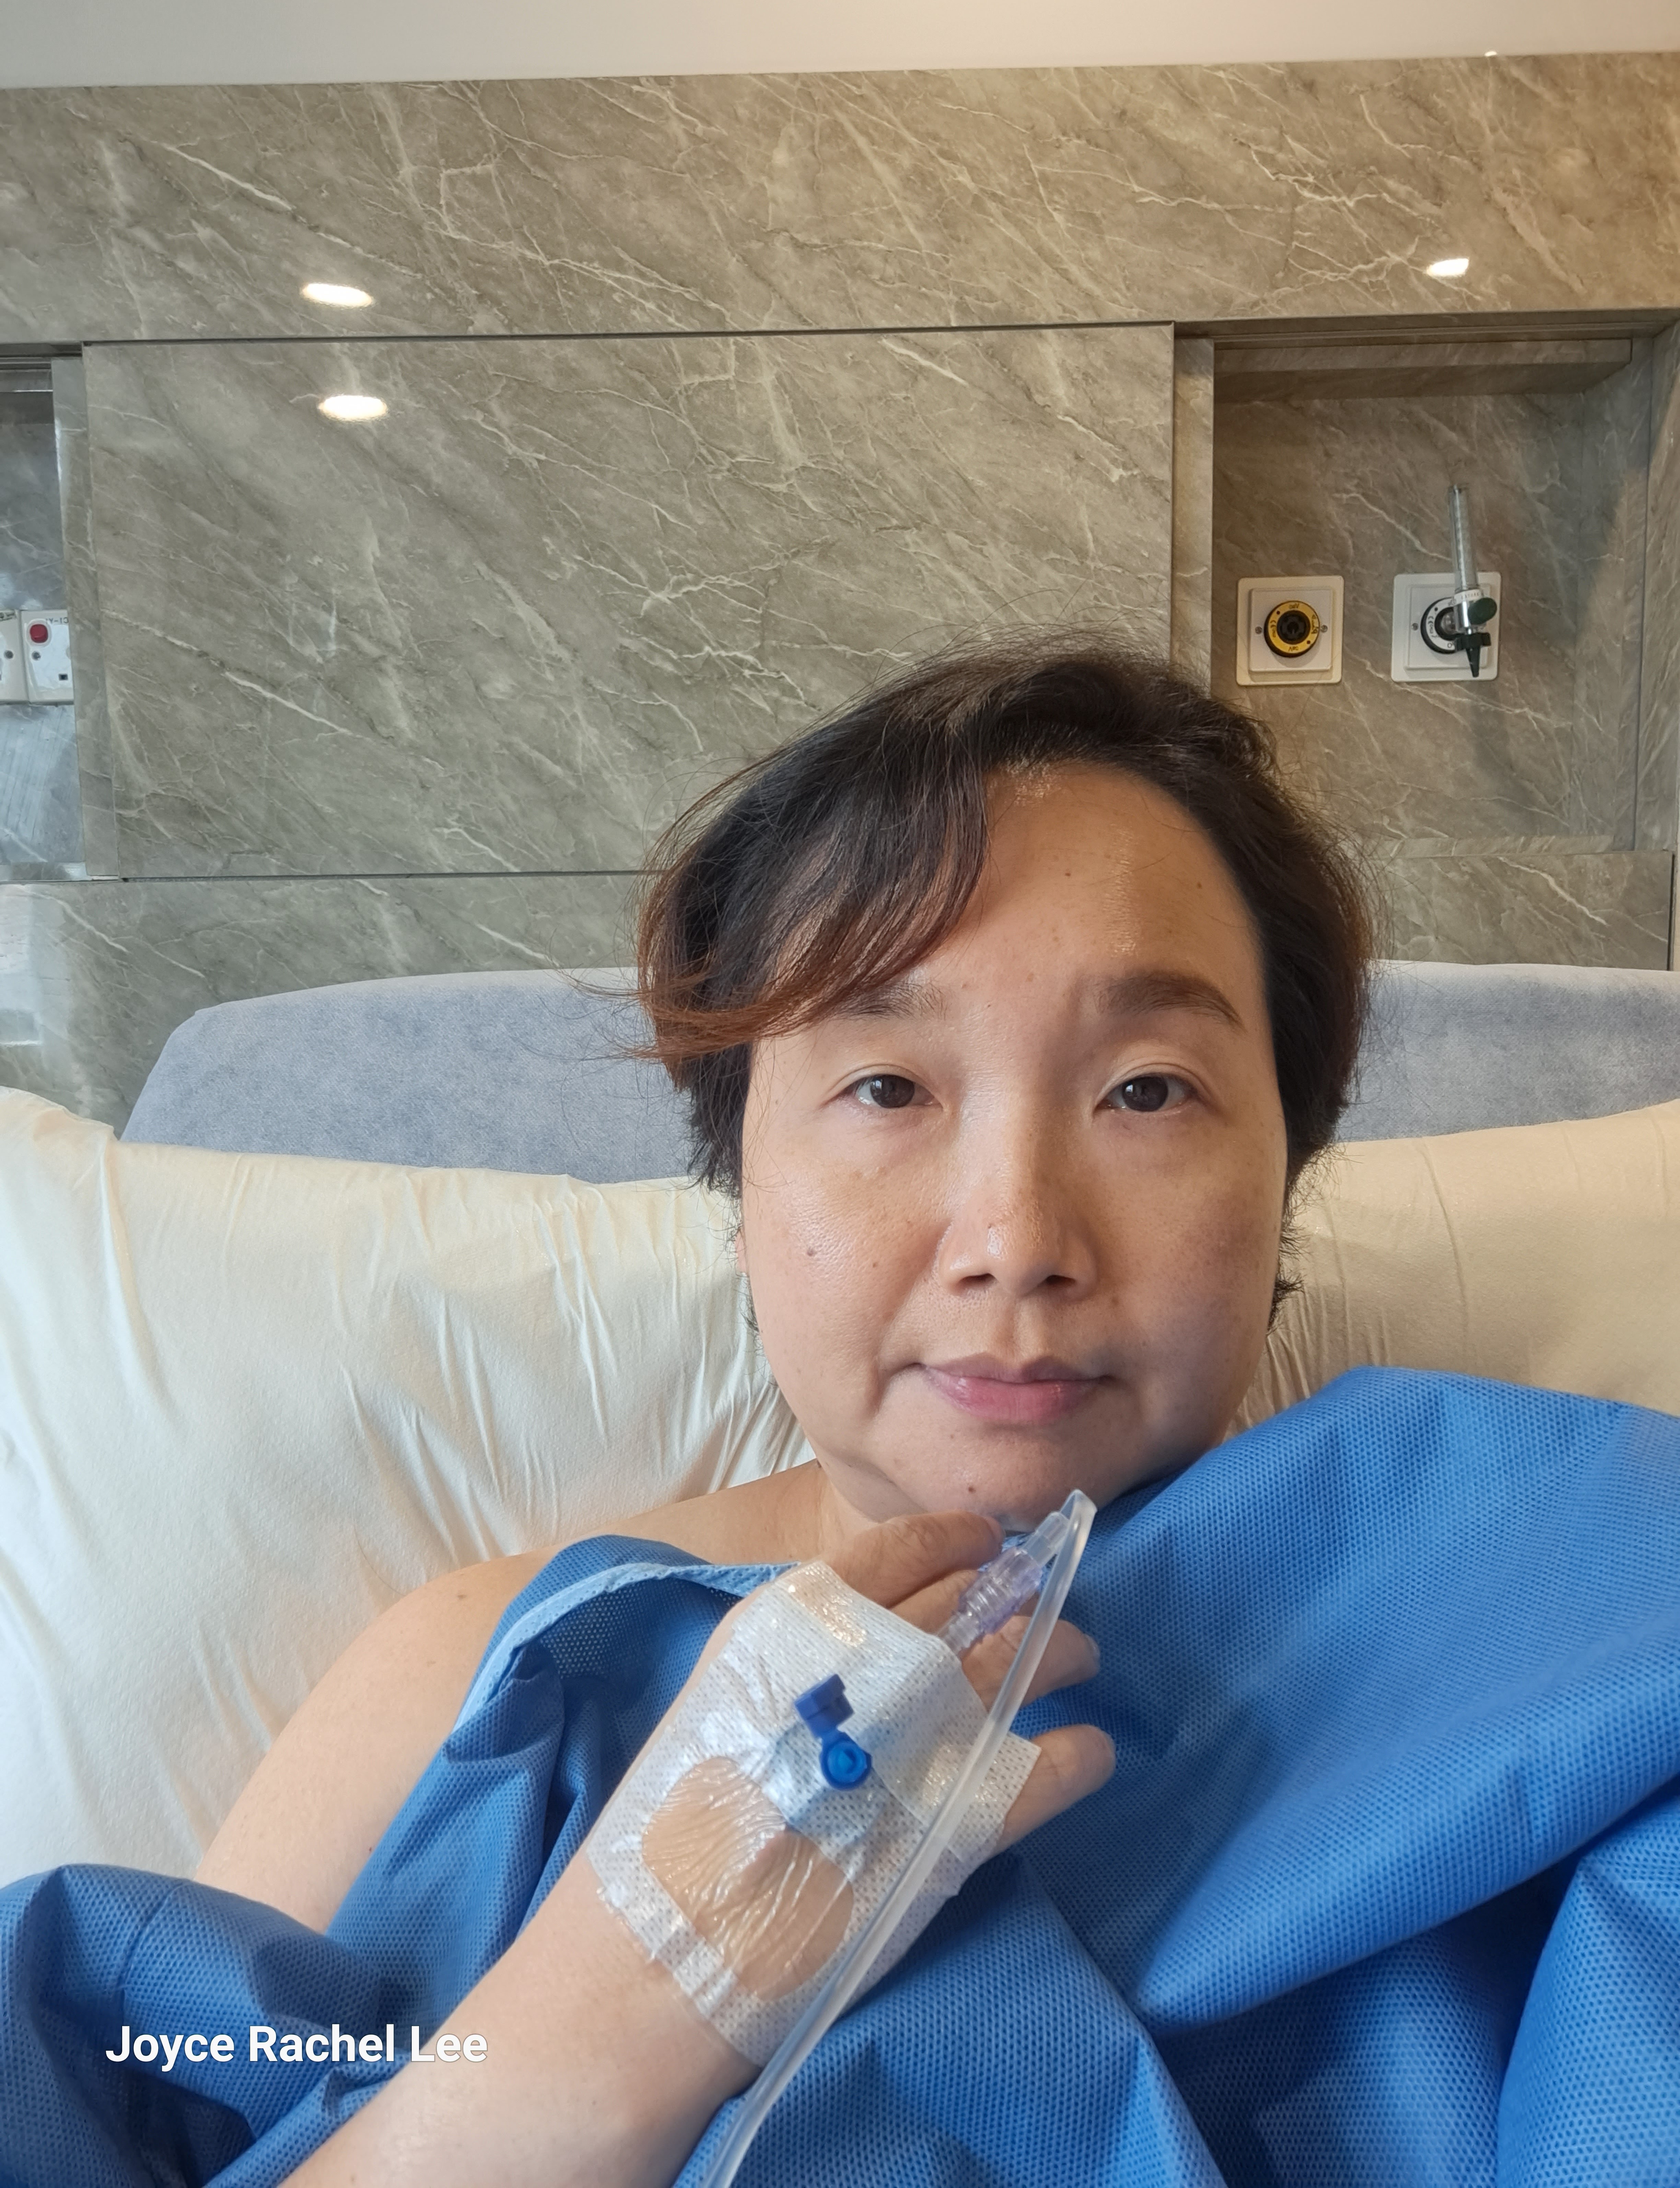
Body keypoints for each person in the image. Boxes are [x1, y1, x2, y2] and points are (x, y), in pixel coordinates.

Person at [193, 638, 1372, 2185]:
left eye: (1146, 1090)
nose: (1016, 1237)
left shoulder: (1524, 1637)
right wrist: (606, 2020)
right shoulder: (480, 1681)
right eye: (888, 1088)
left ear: (1288, 1172)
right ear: (741, 1189)